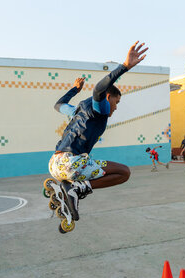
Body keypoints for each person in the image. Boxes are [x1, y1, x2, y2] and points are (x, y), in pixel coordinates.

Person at [48, 41, 148, 221]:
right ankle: (76, 189)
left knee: (92, 166)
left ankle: (70, 189)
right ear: (109, 98)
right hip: (72, 164)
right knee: (124, 172)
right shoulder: (100, 108)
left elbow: (58, 105)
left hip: (54, 165)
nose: (116, 108)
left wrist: (75, 89)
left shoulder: (75, 111)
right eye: (116, 103)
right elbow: (98, 90)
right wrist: (124, 66)